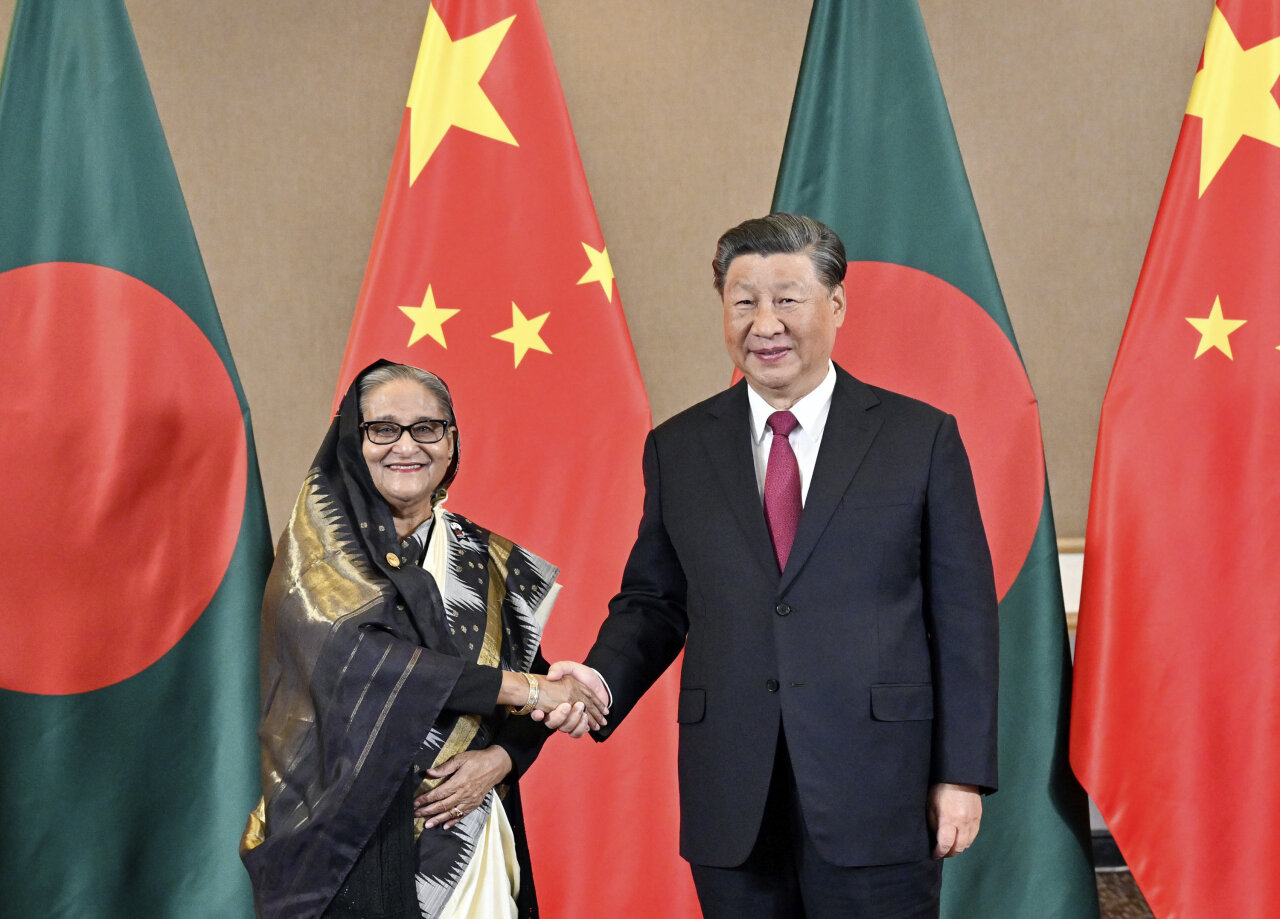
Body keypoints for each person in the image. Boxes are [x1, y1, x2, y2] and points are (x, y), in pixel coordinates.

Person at [542, 214, 999, 918]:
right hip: (732, 791)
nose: (765, 323)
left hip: (879, 785)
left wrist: (961, 774)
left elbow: (964, 618)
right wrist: (599, 679)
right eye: (743, 301)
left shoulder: (920, 437)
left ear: (836, 305)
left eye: (787, 299)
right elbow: (656, 600)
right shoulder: (679, 447)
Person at [240, 360, 607, 919]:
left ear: (451, 441)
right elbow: (373, 664)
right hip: (346, 841)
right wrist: (528, 689)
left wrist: (501, 759)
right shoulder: (319, 554)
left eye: (426, 428)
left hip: (465, 829)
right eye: (383, 429)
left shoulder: (481, 557)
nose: (406, 445)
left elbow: (534, 679)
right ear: (352, 440)